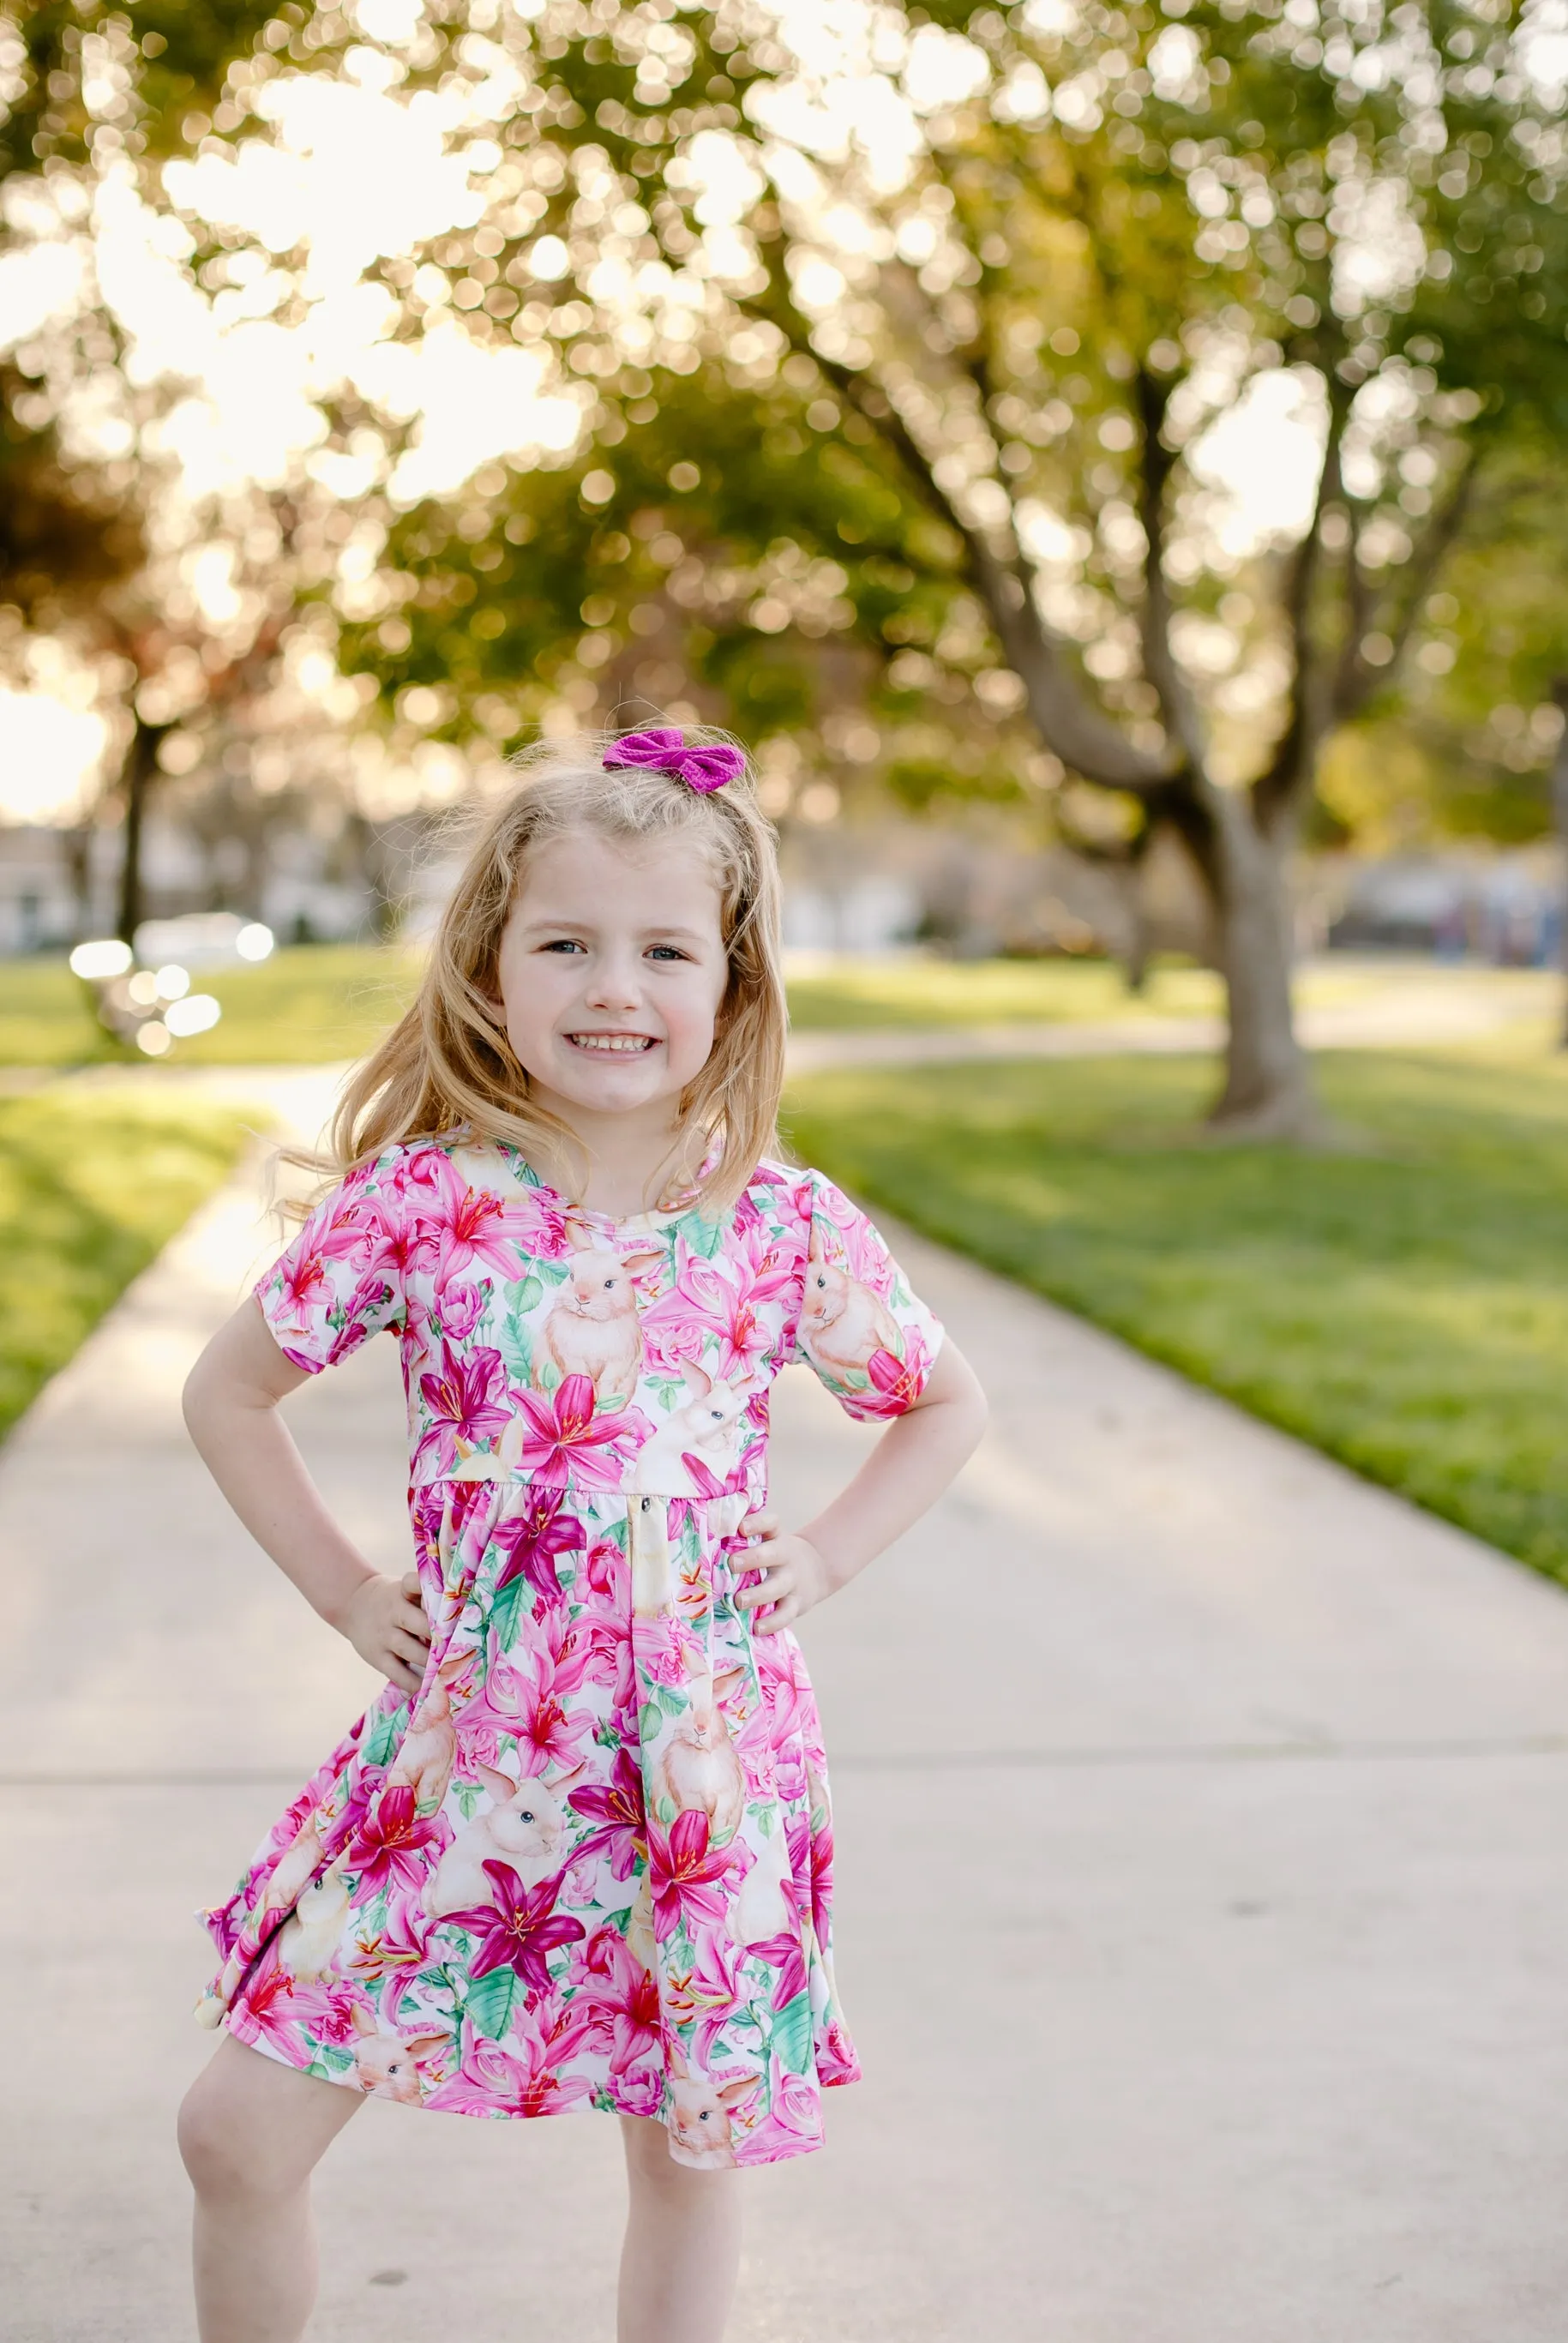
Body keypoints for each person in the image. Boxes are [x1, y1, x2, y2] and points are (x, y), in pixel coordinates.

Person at [177, 724, 988, 2343]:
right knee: (233, 2132)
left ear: (734, 986)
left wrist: (820, 1556)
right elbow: (226, 1393)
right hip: (464, 1758)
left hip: (696, 1771)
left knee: (690, 2157)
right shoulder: (424, 1206)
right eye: (567, 942)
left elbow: (942, 1404)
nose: (614, 986)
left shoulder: (782, 1221)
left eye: (663, 950)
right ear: (492, 965)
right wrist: (346, 1591)